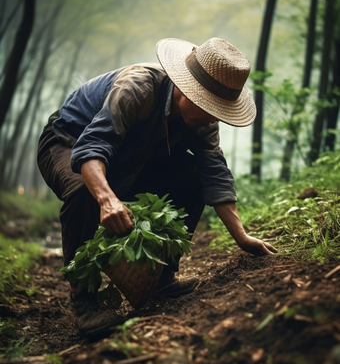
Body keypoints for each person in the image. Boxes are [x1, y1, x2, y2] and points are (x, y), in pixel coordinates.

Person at [37, 37, 277, 336]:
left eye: (217, 109)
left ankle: (160, 276)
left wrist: (241, 236)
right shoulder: (137, 88)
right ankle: (84, 301)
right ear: (185, 87)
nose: (210, 115)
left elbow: (214, 171)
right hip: (68, 141)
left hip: (132, 154)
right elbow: (93, 147)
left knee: (192, 177)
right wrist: (107, 200)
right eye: (206, 104)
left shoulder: (205, 121)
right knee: (84, 191)